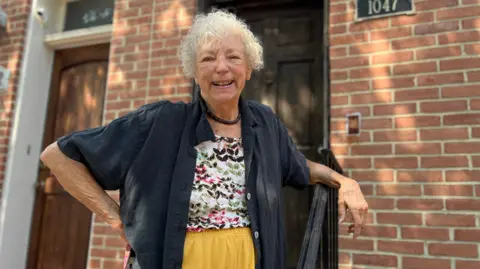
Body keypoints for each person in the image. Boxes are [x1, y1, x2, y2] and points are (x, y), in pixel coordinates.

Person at [40, 10, 368, 269]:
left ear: (249, 68)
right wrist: (116, 220)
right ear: (195, 72)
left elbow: (297, 165)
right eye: (208, 58)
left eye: (233, 57)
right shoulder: (160, 121)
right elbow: (58, 156)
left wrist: (343, 181)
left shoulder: (264, 122)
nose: (221, 68)